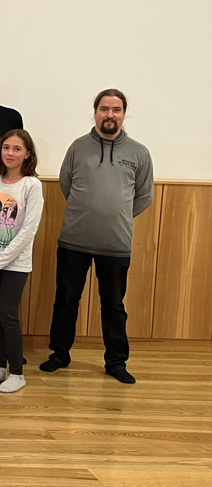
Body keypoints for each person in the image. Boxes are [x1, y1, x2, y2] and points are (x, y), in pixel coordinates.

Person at [41, 89, 154, 384]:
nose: (109, 115)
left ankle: (116, 361)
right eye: (104, 109)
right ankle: (59, 354)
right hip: (74, 240)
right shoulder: (78, 147)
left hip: (116, 244)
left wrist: (117, 216)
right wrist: (87, 211)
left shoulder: (139, 153)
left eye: (116, 109)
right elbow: (66, 184)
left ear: (124, 114)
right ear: (95, 112)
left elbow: (144, 196)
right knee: (66, 300)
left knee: (114, 304)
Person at [0, 130, 44, 393]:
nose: (10, 153)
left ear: (27, 154)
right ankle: (0, 367)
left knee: (8, 314)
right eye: (6, 148)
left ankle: (17, 372)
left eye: (16, 148)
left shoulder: (31, 185)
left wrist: (0, 261)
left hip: (15, 264)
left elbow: (28, 230)